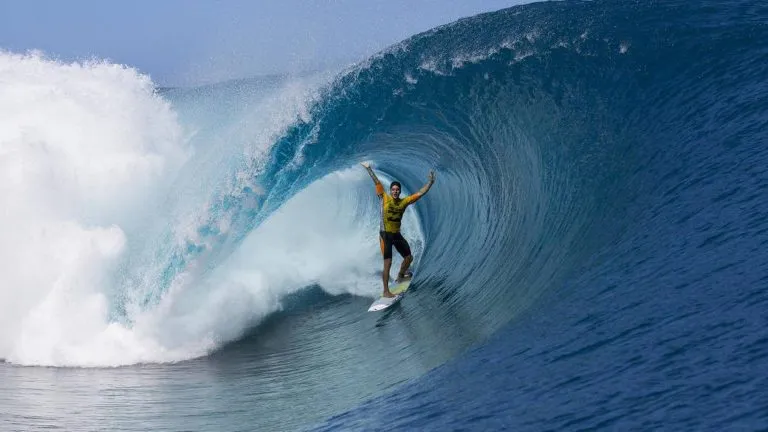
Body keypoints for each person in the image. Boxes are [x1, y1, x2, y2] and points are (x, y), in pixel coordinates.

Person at [361, 162, 436, 298]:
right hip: (385, 236)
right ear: (390, 190)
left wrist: (430, 182)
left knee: (409, 258)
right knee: (387, 263)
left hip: (396, 234)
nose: (395, 191)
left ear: (400, 191)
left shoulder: (404, 202)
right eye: (393, 189)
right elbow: (376, 181)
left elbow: (420, 193)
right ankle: (386, 291)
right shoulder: (383, 197)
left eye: (397, 190)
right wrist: (368, 169)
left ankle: (401, 275)